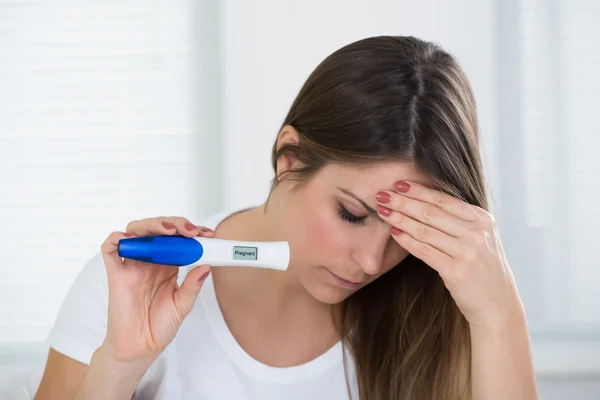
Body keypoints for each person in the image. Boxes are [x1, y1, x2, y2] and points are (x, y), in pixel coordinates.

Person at [34, 36, 539, 400]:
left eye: (407, 231)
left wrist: (500, 317)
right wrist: (119, 366)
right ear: (289, 159)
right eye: (352, 213)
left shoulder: (446, 310)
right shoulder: (127, 291)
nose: (370, 261)